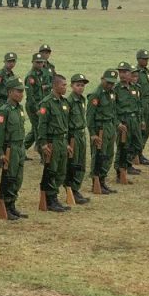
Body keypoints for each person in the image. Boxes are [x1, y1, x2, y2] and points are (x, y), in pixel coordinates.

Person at [0, 78, 28, 219]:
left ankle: (12, 205)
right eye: (18, 91)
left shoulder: (20, 109)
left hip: (20, 147)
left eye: (22, 91)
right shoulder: (4, 111)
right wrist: (0, 152)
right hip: (10, 148)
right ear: (10, 92)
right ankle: (6, 206)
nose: (21, 94)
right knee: (9, 177)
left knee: (18, 178)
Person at [37, 74, 71, 213]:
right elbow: (42, 125)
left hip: (62, 140)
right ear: (55, 86)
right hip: (52, 142)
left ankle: (54, 196)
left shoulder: (64, 102)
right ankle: (50, 199)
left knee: (61, 171)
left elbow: (65, 124)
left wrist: (66, 143)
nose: (65, 87)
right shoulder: (46, 103)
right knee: (52, 170)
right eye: (63, 85)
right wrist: (44, 143)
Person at [87, 69, 120, 194]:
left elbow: (113, 111)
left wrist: (115, 125)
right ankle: (96, 182)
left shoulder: (112, 93)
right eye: (108, 82)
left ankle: (102, 180)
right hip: (100, 128)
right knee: (99, 155)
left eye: (112, 83)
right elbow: (90, 116)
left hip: (110, 127)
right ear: (102, 79)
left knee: (109, 155)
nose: (110, 85)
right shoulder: (96, 95)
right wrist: (92, 133)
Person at [65, 74, 91, 204]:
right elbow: (65, 123)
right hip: (73, 136)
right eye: (78, 85)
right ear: (72, 86)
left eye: (82, 85)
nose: (80, 88)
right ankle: (71, 190)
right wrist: (66, 141)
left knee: (81, 163)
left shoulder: (82, 100)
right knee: (73, 164)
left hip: (81, 134)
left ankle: (76, 188)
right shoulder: (68, 102)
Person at [136, 49, 149, 164]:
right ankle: (137, 154)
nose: (146, 61)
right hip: (141, 102)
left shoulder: (146, 71)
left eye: (147, 59)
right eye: (144, 59)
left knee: (146, 130)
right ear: (138, 59)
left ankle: (140, 152)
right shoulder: (136, 73)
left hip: (148, 101)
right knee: (140, 129)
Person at [0, 52, 19, 117]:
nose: (11, 63)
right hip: (0, 104)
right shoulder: (0, 75)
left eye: (13, 61)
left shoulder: (12, 75)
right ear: (4, 62)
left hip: (8, 104)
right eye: (9, 61)